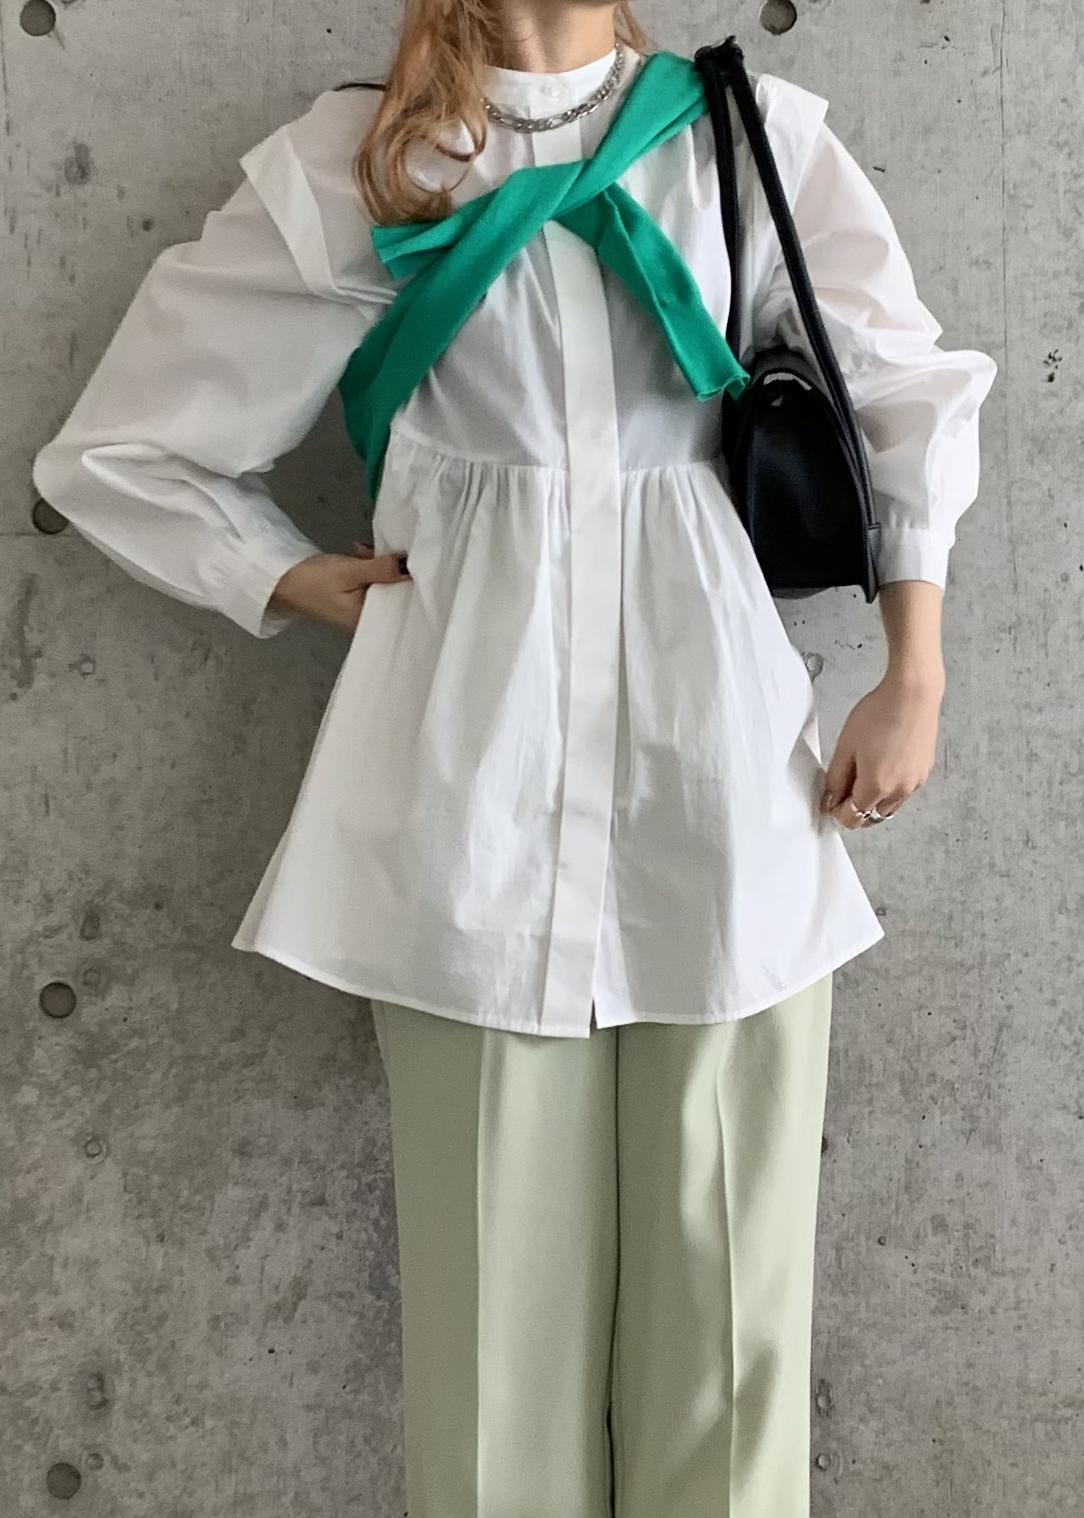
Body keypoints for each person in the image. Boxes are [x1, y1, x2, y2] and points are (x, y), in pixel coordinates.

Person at [31, 2, 998, 1513]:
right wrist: (283, 573)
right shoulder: (360, 163)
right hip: (464, 797)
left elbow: (902, 390)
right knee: (492, 1373)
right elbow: (122, 451)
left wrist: (914, 669)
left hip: (726, 780)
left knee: (733, 1347)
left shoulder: (746, 137)